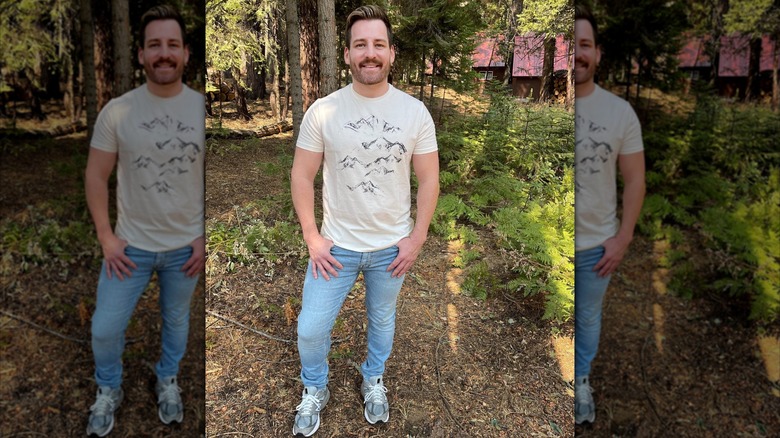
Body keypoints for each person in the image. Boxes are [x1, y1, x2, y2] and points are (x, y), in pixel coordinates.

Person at [289, 5, 439, 436]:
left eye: (377, 45)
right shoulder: (323, 110)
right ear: (349, 54)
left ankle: (373, 378)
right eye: (360, 45)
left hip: (392, 248)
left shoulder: (415, 113)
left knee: (383, 320)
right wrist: (312, 236)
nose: (369, 53)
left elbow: (429, 180)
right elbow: (302, 174)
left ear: (391, 53)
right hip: (335, 248)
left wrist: (417, 238)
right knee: (311, 328)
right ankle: (315, 388)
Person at [83, 5, 204, 436]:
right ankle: (109, 387)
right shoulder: (117, 111)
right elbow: (97, 177)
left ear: (186, 53)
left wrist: (204, 235)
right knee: (105, 328)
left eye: (172, 45)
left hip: (184, 251)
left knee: (176, 322)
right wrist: (106, 237)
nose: (164, 53)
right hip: (128, 248)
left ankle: (167, 377)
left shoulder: (202, 110)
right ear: (141, 54)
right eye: (155, 45)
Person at [574, 3, 646, 425]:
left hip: (597, 247)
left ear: (598, 53)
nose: (579, 53)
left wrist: (624, 237)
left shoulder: (620, 113)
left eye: (586, 45)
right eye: (573, 44)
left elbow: (635, 180)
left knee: (588, 317)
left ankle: (581, 381)